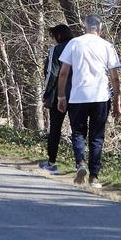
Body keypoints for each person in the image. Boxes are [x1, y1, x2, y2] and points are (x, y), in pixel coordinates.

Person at [54, 15, 121, 186]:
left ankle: (80, 164)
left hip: (78, 97)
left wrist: (61, 96)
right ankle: (94, 177)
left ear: (84, 27)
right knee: (97, 137)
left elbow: (63, 73)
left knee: (78, 133)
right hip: (100, 96)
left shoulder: (74, 43)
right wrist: (117, 102)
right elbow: (115, 78)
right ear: (100, 30)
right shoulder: (107, 46)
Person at [39, 23, 73, 172]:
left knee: (55, 129)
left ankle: (52, 163)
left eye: (53, 36)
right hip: (78, 95)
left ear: (58, 36)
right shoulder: (77, 48)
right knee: (78, 131)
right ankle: (81, 164)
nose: (52, 39)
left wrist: (46, 93)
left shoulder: (56, 50)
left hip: (58, 95)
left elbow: (51, 73)